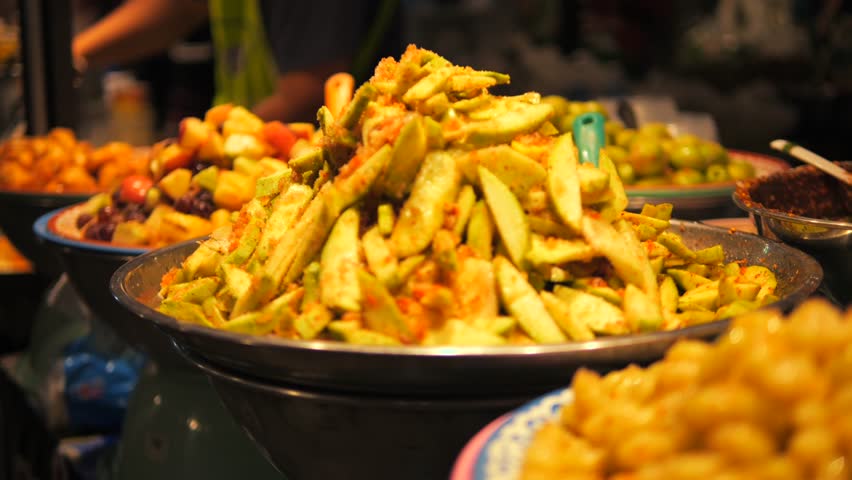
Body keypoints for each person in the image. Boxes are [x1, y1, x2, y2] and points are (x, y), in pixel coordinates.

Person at [72, 0, 400, 123]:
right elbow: (182, 6)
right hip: (244, 147)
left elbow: (306, 93)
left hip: (311, 173)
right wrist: (77, 52)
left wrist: (211, 147)